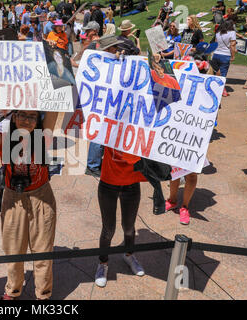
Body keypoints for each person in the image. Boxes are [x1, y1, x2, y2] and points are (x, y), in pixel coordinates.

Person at [0, 107, 60, 300]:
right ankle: (13, 291)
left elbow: (54, 111)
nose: (27, 120)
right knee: (13, 250)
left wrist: (61, 82)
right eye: (22, 115)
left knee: (43, 251)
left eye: (32, 117)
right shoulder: (4, 141)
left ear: (38, 120)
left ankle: (43, 295)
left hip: (42, 197)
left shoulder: (42, 138)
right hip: (13, 198)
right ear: (14, 117)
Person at [94, 35, 148, 288]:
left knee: (129, 228)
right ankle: (102, 262)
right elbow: (92, 91)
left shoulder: (143, 119)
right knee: (108, 230)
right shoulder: (107, 115)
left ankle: (129, 255)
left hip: (131, 185)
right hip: (108, 182)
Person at [210, 21, 236, 97]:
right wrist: (233, 56)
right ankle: (221, 90)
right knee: (223, 74)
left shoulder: (218, 33)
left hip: (216, 54)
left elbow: (215, 43)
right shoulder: (232, 33)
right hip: (225, 55)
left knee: (216, 73)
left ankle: (214, 89)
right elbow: (232, 45)